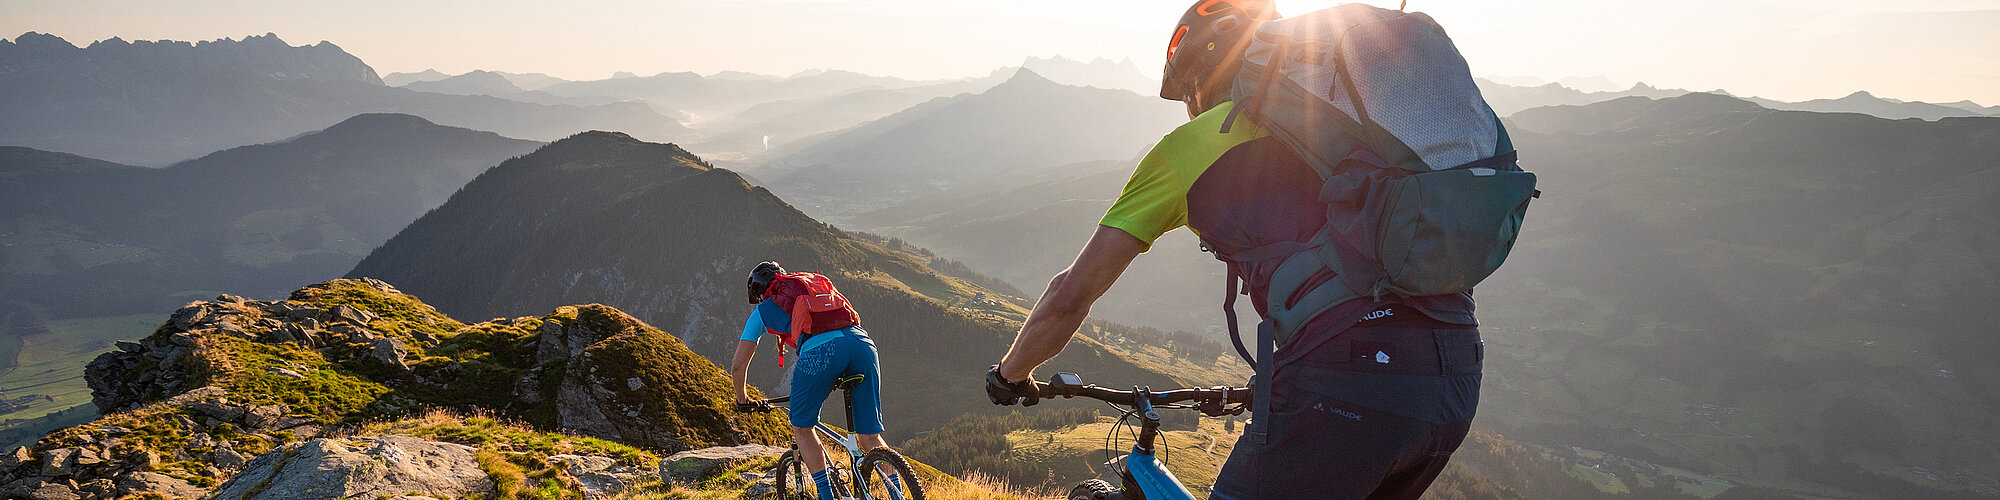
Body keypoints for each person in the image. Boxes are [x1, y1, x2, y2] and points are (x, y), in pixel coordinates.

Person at [984, 1, 1486, 499]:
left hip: (1346, 382)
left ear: (1202, 72)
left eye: (1185, 88)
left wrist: (1011, 375)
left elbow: (1071, 294)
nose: (1188, 104)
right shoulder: (1346, 129)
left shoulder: (1190, 147)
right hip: (1456, 374)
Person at [730, 261, 897, 500]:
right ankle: (898, 494)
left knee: (802, 427)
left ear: (761, 293)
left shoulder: (763, 310)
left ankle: (827, 495)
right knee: (869, 437)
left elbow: (738, 366)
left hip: (823, 352)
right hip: (863, 344)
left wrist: (743, 399)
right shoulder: (812, 287)